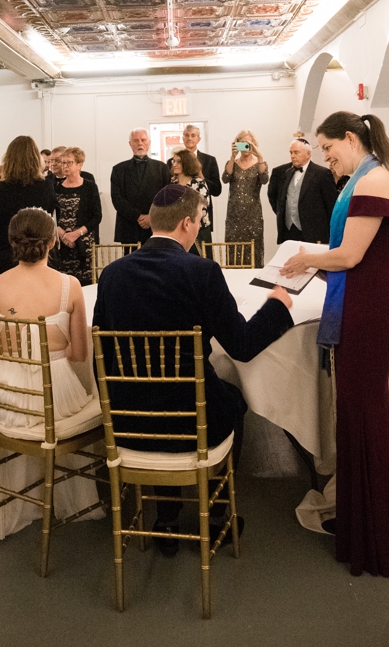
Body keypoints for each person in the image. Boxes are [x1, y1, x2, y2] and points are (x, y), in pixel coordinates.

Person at [93, 183, 294, 553]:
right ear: (186, 223)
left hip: (128, 420)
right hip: (191, 420)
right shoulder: (202, 272)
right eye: (200, 220)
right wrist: (278, 306)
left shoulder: (112, 274)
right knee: (233, 399)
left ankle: (166, 517)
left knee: (168, 394)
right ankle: (218, 513)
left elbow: (100, 356)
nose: (200, 226)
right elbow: (243, 346)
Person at [283, 111, 389, 577]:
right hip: (363, 302)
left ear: (351, 139)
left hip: (369, 309)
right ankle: (365, 522)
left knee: (364, 415)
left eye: (329, 150)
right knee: (358, 414)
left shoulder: (371, 182)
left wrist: (306, 258)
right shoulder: (365, 178)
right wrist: (313, 262)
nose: (326, 159)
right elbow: (356, 257)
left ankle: (384, 535)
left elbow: (351, 255)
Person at [0, 208, 100, 543]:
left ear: (12, 243)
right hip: (55, 396)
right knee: (93, 398)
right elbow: (80, 354)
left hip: (7, 397)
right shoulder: (69, 285)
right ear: (53, 241)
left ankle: (18, 493)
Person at [0, 137, 57, 274]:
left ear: (8, 159)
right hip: (38, 255)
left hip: (4, 255)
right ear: (36, 159)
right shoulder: (46, 187)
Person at [267, 137, 337, 246]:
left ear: (308, 154)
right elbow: (274, 197)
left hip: (314, 233)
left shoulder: (322, 174)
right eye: (291, 152)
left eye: (296, 152)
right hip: (288, 230)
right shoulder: (284, 173)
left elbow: (331, 205)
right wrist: (285, 214)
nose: (292, 156)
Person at [50, 147, 101, 286]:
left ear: (80, 164)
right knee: (65, 285)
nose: (65, 166)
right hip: (63, 243)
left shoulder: (90, 186)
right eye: (63, 163)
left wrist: (76, 233)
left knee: (86, 284)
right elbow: (50, 216)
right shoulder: (56, 187)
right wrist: (63, 234)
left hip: (84, 244)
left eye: (69, 163)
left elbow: (97, 216)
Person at [110, 129, 167, 246]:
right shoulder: (118, 169)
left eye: (143, 140)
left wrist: (151, 217)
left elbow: (166, 197)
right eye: (136, 140)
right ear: (130, 144)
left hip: (155, 226)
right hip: (129, 226)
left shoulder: (162, 168)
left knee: (156, 263)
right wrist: (138, 216)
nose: (140, 143)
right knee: (130, 263)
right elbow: (117, 198)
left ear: (149, 143)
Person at [221, 130, 269, 269]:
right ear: (237, 145)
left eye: (249, 143)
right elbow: (225, 179)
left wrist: (259, 156)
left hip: (253, 216)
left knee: (254, 251)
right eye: (242, 143)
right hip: (233, 216)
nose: (246, 147)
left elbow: (264, 180)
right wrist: (232, 156)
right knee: (234, 251)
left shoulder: (260, 163)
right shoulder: (232, 163)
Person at [168, 149, 213, 256]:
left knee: (201, 264)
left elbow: (204, 207)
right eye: (173, 161)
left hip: (199, 231)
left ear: (187, 163)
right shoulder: (172, 182)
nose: (175, 164)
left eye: (178, 162)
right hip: (178, 230)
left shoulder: (198, 183)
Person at [182, 124, 223, 200]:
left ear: (199, 139)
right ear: (183, 138)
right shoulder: (173, 161)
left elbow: (217, 190)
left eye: (193, 135)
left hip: (203, 207)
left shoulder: (210, 160)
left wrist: (202, 177)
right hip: (180, 207)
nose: (189, 138)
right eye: (186, 135)